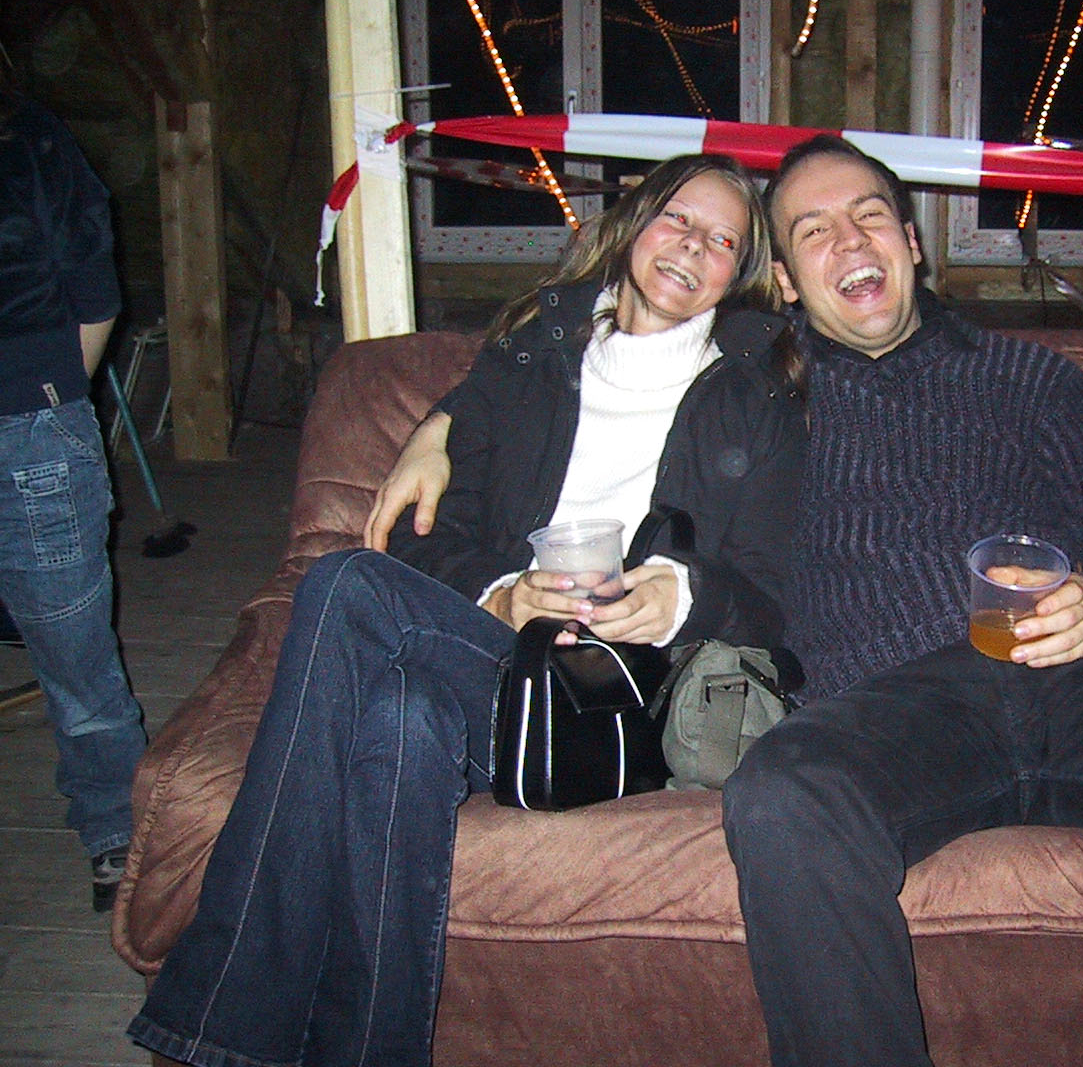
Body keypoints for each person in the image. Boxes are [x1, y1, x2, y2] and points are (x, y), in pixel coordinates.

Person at [371, 135, 1083, 1067]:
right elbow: (590, 338)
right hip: (889, 718)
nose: (849, 241)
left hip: (1074, 685)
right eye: (812, 232)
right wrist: (442, 421)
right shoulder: (756, 392)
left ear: (912, 244)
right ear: (783, 283)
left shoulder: (1031, 381)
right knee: (782, 796)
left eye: (869, 215)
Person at [127, 153, 806, 1067]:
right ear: (634, 223)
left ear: (743, 274)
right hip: (488, 658)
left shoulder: (759, 395)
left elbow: (774, 591)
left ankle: (221, 1011)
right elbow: (422, 543)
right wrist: (501, 592)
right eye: (678, 218)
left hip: (612, 696)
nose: (692, 246)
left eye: (723, 240)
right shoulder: (525, 362)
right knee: (398, 721)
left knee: (344, 583)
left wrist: (679, 594)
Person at [0, 68, 146, 912]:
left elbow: (94, 292)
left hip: (23, 426)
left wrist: (53, 400)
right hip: (31, 421)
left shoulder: (30, 143)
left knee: (73, 652)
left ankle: (113, 822)